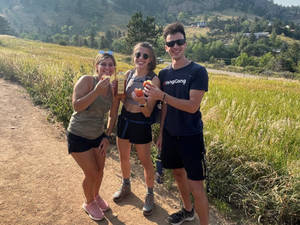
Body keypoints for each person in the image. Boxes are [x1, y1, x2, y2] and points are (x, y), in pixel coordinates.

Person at [144, 22, 209, 225]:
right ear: (166, 47)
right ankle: (188, 211)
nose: (175, 46)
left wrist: (162, 95)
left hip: (190, 136)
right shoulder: (164, 74)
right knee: (178, 174)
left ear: (185, 44)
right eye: (171, 43)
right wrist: (162, 134)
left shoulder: (198, 71)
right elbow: (164, 108)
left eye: (179, 42)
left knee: (196, 185)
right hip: (170, 135)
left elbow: (192, 106)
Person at [66, 51, 119, 221]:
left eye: (111, 65)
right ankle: (88, 203)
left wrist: (107, 136)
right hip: (78, 134)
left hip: (98, 135)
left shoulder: (114, 87)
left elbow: (113, 114)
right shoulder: (87, 80)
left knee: (100, 170)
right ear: (96, 66)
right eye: (103, 64)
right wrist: (96, 92)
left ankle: (95, 196)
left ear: (114, 68)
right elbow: (76, 106)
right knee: (92, 173)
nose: (107, 68)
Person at [113, 42, 159, 216]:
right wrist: (119, 93)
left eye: (145, 56)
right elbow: (122, 99)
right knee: (123, 157)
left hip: (141, 122)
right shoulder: (128, 74)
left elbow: (148, 112)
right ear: (134, 57)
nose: (141, 58)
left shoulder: (154, 79)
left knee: (145, 161)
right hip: (125, 119)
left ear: (150, 60)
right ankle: (126, 186)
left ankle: (149, 194)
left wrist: (141, 102)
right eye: (138, 54)